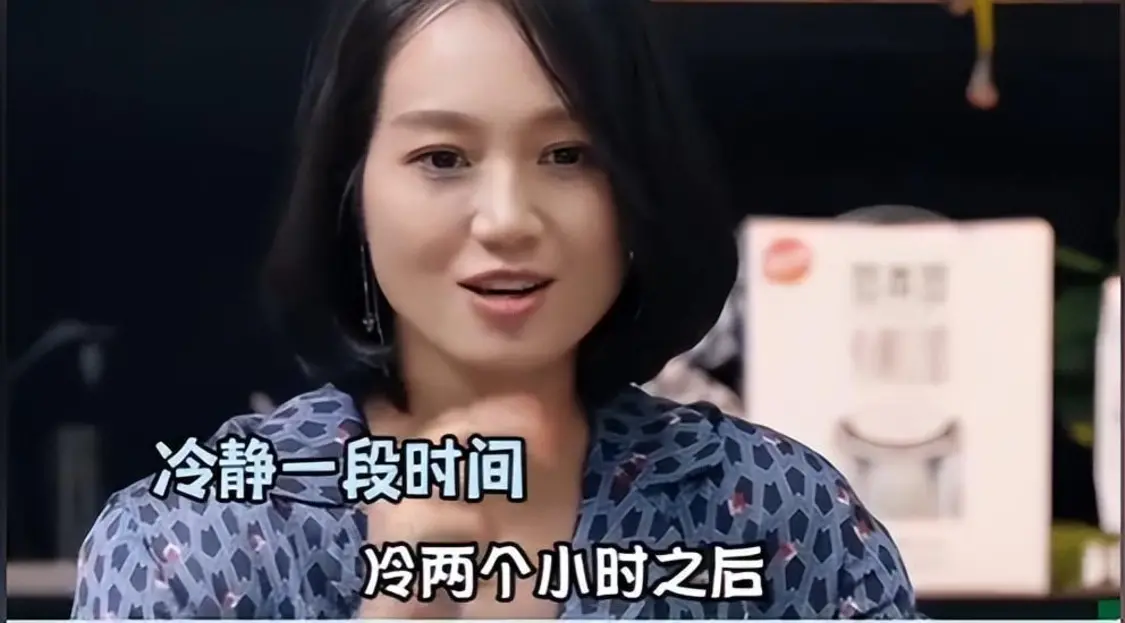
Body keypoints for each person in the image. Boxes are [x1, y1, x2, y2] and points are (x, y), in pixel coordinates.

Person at [71, 0, 920, 618]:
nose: (508, 219)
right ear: (351, 190)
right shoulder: (195, 535)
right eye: (442, 157)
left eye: (567, 154)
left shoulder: (774, 511)